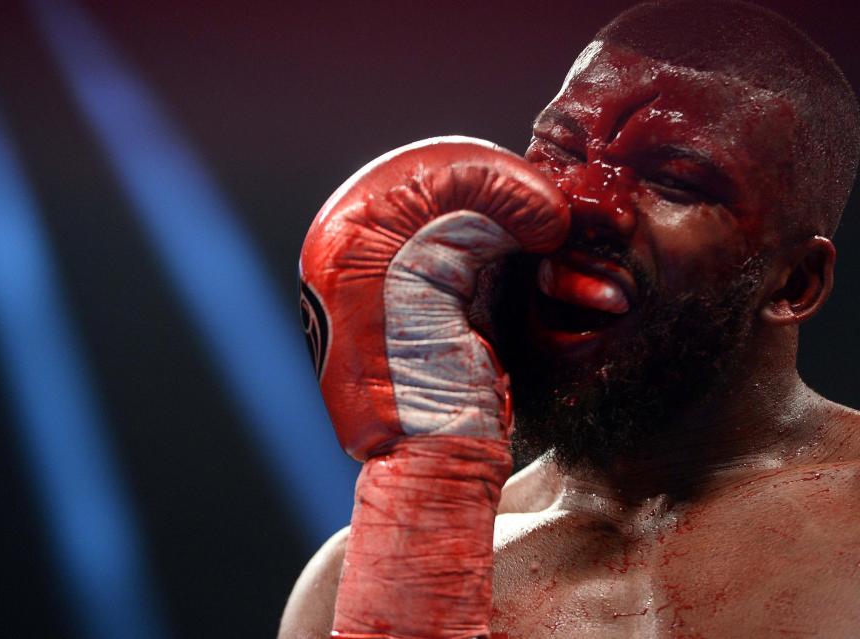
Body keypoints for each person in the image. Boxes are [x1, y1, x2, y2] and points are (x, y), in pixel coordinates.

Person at [280, 1, 860, 636]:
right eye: (559, 148)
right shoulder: (364, 571)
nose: (587, 202)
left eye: (675, 181)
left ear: (796, 283)